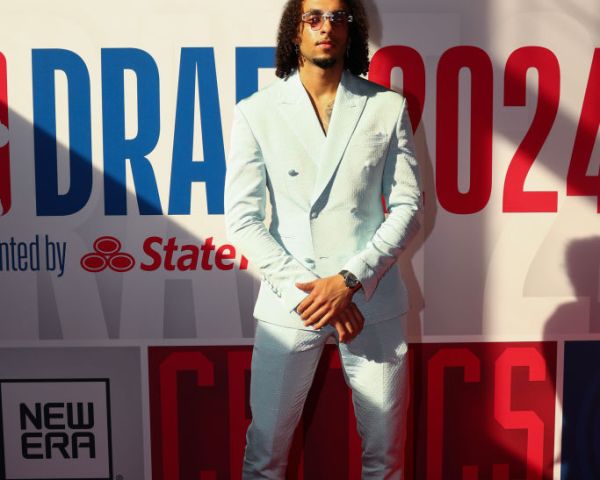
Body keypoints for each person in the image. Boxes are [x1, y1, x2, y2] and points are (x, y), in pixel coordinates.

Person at [224, 0, 422, 477]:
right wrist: (317, 292)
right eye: (313, 17)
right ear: (295, 31)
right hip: (291, 301)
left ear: (352, 30)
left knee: (385, 456)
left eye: (337, 17)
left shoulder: (385, 106)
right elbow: (243, 219)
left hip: (368, 298)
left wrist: (350, 279)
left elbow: (409, 206)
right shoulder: (257, 112)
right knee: (265, 453)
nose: (325, 28)